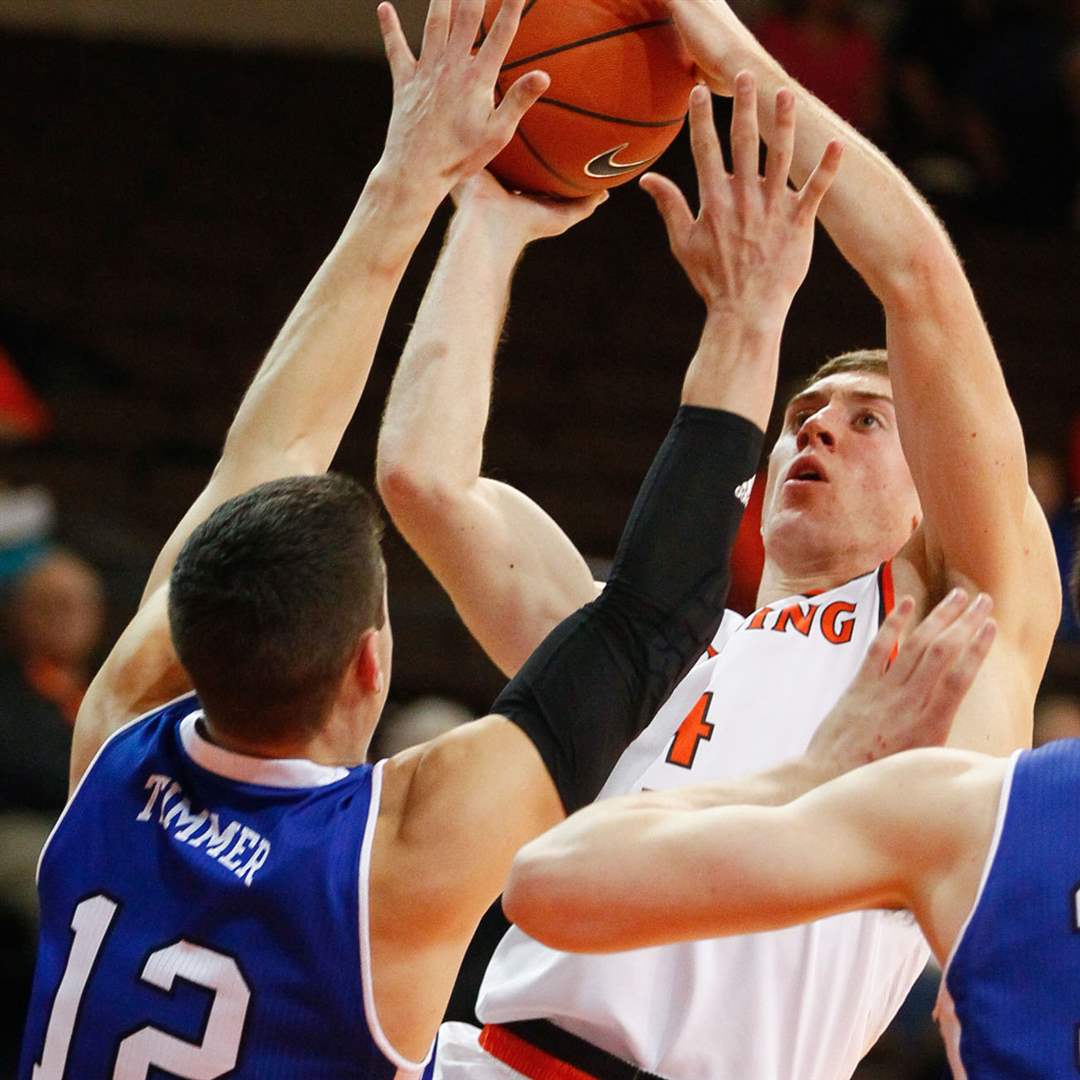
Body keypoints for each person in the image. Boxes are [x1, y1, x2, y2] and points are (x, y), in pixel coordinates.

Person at [15, 3, 846, 1077]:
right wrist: (747, 313)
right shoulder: (395, 854)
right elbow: (647, 626)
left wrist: (414, 185)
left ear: (190, 630)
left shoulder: (116, 742)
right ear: (373, 663)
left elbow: (270, 447)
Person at [376, 2, 1061, 1076]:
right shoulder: (658, 638)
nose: (817, 425)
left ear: (937, 487)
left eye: (866, 417)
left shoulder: (952, 645)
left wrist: (738, 60)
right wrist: (489, 214)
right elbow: (428, 481)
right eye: (800, 418)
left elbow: (920, 285)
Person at [503, 563, 1080, 1078]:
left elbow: (543, 880)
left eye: (869, 431)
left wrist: (814, 774)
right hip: (520, 1045)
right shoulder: (669, 636)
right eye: (794, 433)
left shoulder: (963, 793)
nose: (819, 437)